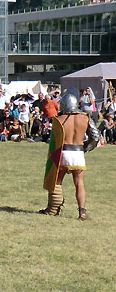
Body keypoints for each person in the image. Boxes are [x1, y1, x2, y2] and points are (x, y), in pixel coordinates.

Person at [39, 88, 99, 220]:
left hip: (61, 153)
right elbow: (95, 136)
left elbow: (54, 140)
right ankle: (82, 213)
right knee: (79, 183)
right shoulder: (85, 117)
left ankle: (53, 209)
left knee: (57, 182)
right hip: (77, 153)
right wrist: (85, 148)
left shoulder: (59, 119)